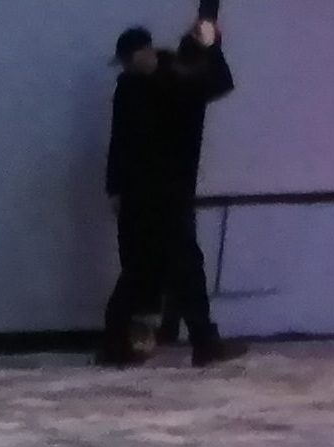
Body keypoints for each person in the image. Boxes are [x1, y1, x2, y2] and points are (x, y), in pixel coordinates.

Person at [101, 17, 245, 366]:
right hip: (154, 193)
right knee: (156, 267)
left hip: (160, 192)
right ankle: (199, 343)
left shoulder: (162, 81)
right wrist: (116, 187)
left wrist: (209, 47)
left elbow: (214, 82)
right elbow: (120, 141)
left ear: (140, 54)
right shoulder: (140, 85)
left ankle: (124, 344)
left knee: (159, 267)